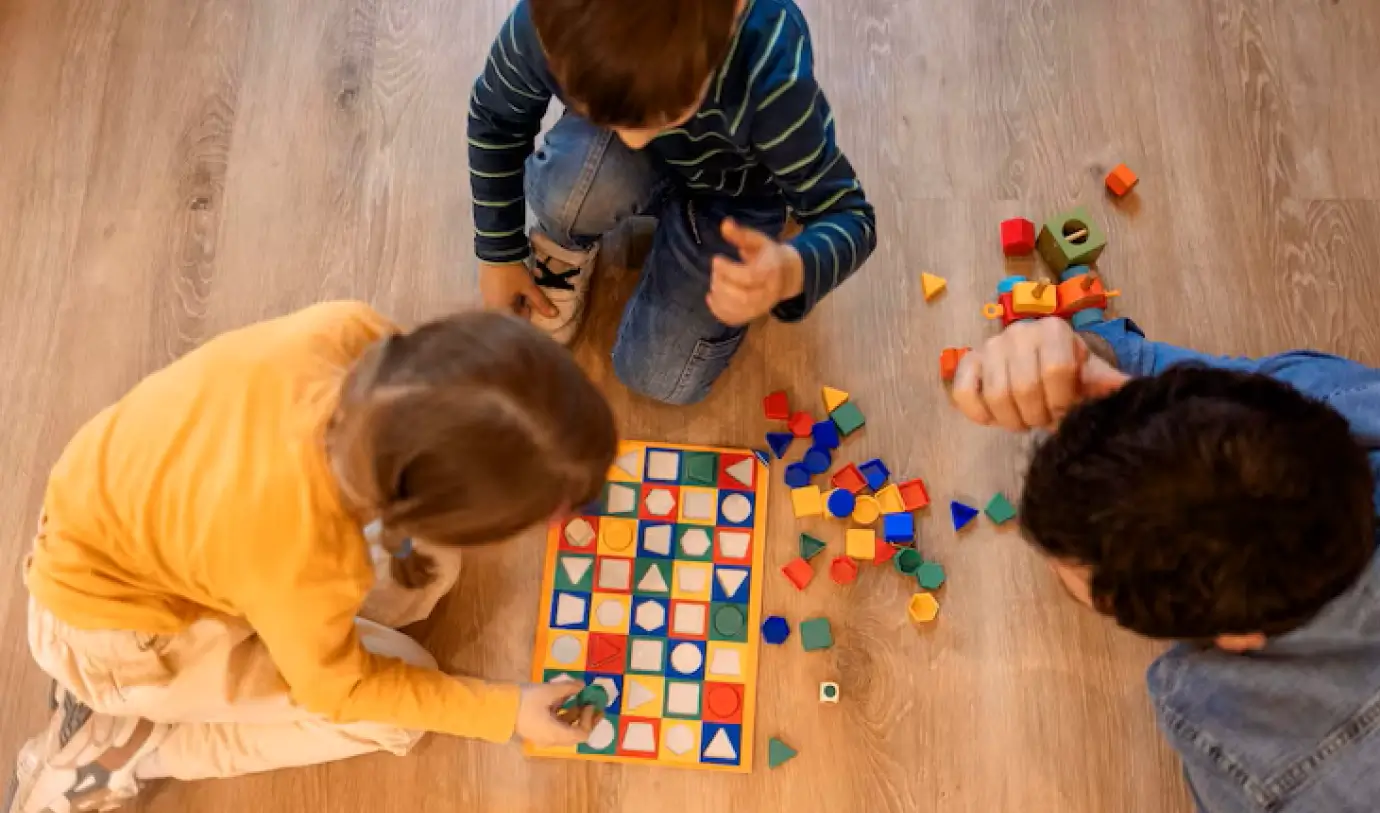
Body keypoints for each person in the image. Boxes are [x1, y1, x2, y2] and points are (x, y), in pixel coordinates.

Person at [5, 302, 616, 813]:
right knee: (399, 712)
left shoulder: (354, 332)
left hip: (119, 529)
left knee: (429, 574)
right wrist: (507, 711)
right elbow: (341, 693)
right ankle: (125, 751)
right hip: (119, 645)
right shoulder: (304, 556)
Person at [950, 315, 1380, 812]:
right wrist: (1075, 357)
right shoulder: (1332, 400)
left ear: (1237, 637)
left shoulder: (1256, 757)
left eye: (1068, 571)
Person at [469, 0, 877, 405]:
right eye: (598, 115)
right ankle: (571, 236)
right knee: (567, 192)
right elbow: (495, 118)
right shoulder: (551, 20)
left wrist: (790, 271)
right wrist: (498, 253)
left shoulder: (769, 67)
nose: (633, 141)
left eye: (666, 115)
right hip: (645, 124)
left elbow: (848, 213)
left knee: (660, 375)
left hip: (736, 196)